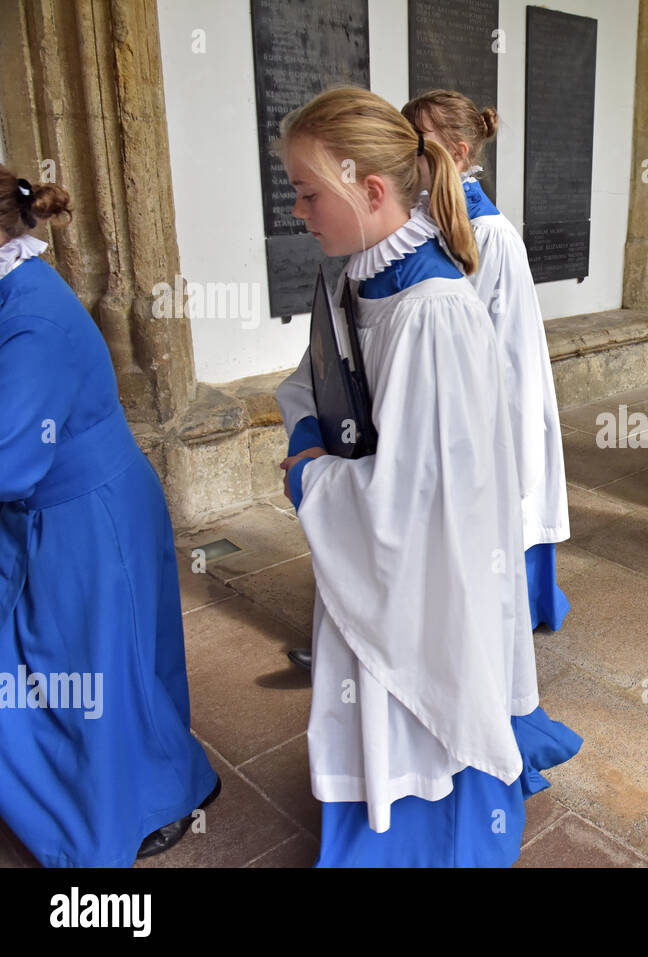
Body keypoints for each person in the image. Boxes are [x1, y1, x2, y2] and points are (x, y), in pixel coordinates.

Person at [272, 87, 579, 867]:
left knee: (417, 686)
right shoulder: (365, 272)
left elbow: (413, 500)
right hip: (377, 543)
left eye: (309, 193)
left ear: (371, 191)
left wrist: (312, 479)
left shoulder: (431, 309)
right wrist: (310, 421)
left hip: (426, 561)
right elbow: (325, 371)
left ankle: (426, 831)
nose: (300, 211)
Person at [0, 166, 219, 866]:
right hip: (79, 505)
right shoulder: (17, 293)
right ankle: (152, 788)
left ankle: (139, 809)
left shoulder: (30, 314)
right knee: (111, 666)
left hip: (81, 518)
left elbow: (9, 458)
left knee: (94, 674)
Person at [402, 90, 570, 632]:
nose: (406, 149)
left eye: (417, 139)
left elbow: (514, 351)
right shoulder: (413, 221)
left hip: (480, 414)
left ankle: (502, 623)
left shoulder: (493, 235)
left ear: (457, 149)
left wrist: (512, 450)